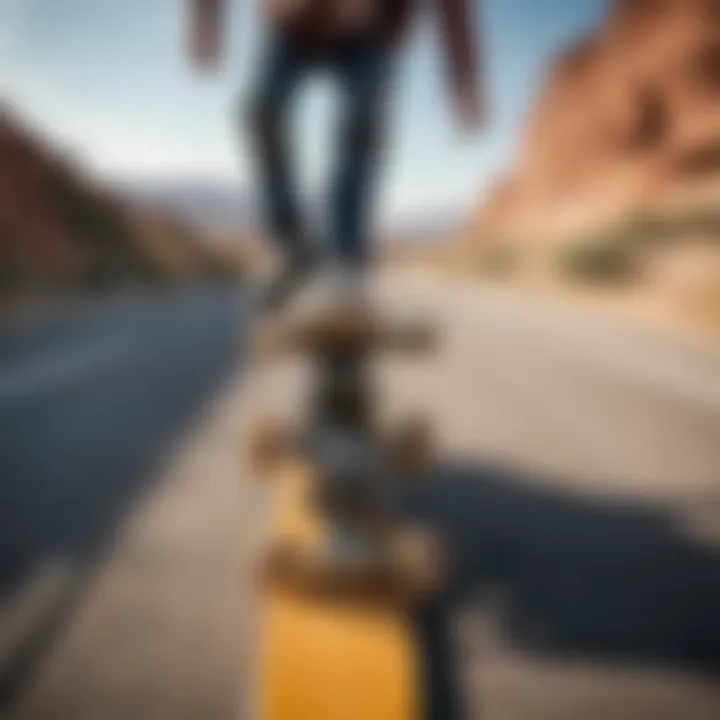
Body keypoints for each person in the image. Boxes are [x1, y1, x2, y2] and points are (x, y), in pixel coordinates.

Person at [189, 0, 483, 311]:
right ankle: (290, 243)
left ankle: (344, 263)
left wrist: (464, 81)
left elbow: (453, 6)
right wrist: (206, 22)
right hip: (294, 22)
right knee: (262, 111)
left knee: (360, 126)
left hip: (368, 31)